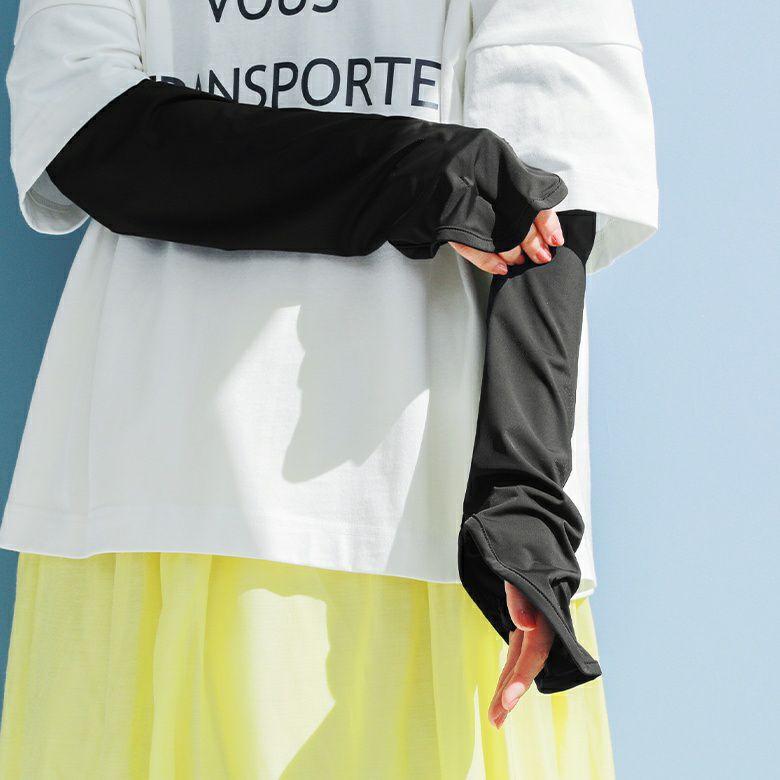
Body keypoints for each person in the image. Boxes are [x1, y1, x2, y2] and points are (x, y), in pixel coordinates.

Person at [0, 0, 657, 776]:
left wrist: (524, 504)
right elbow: (88, 134)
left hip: (417, 506)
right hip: (156, 484)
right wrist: (406, 168)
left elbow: (546, 204)